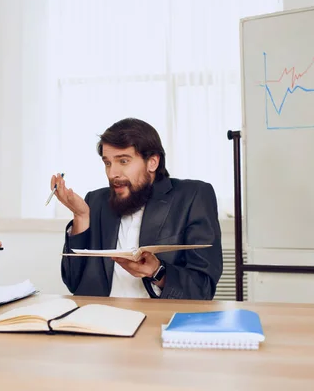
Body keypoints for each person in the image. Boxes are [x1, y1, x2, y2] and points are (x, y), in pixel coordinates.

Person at [51, 118, 222, 300]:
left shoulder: (193, 196)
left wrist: (157, 271)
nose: (112, 173)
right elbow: (73, 282)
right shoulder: (95, 201)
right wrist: (81, 217)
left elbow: (203, 289)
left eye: (123, 161)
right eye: (107, 163)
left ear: (152, 163)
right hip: (100, 317)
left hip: (159, 319)